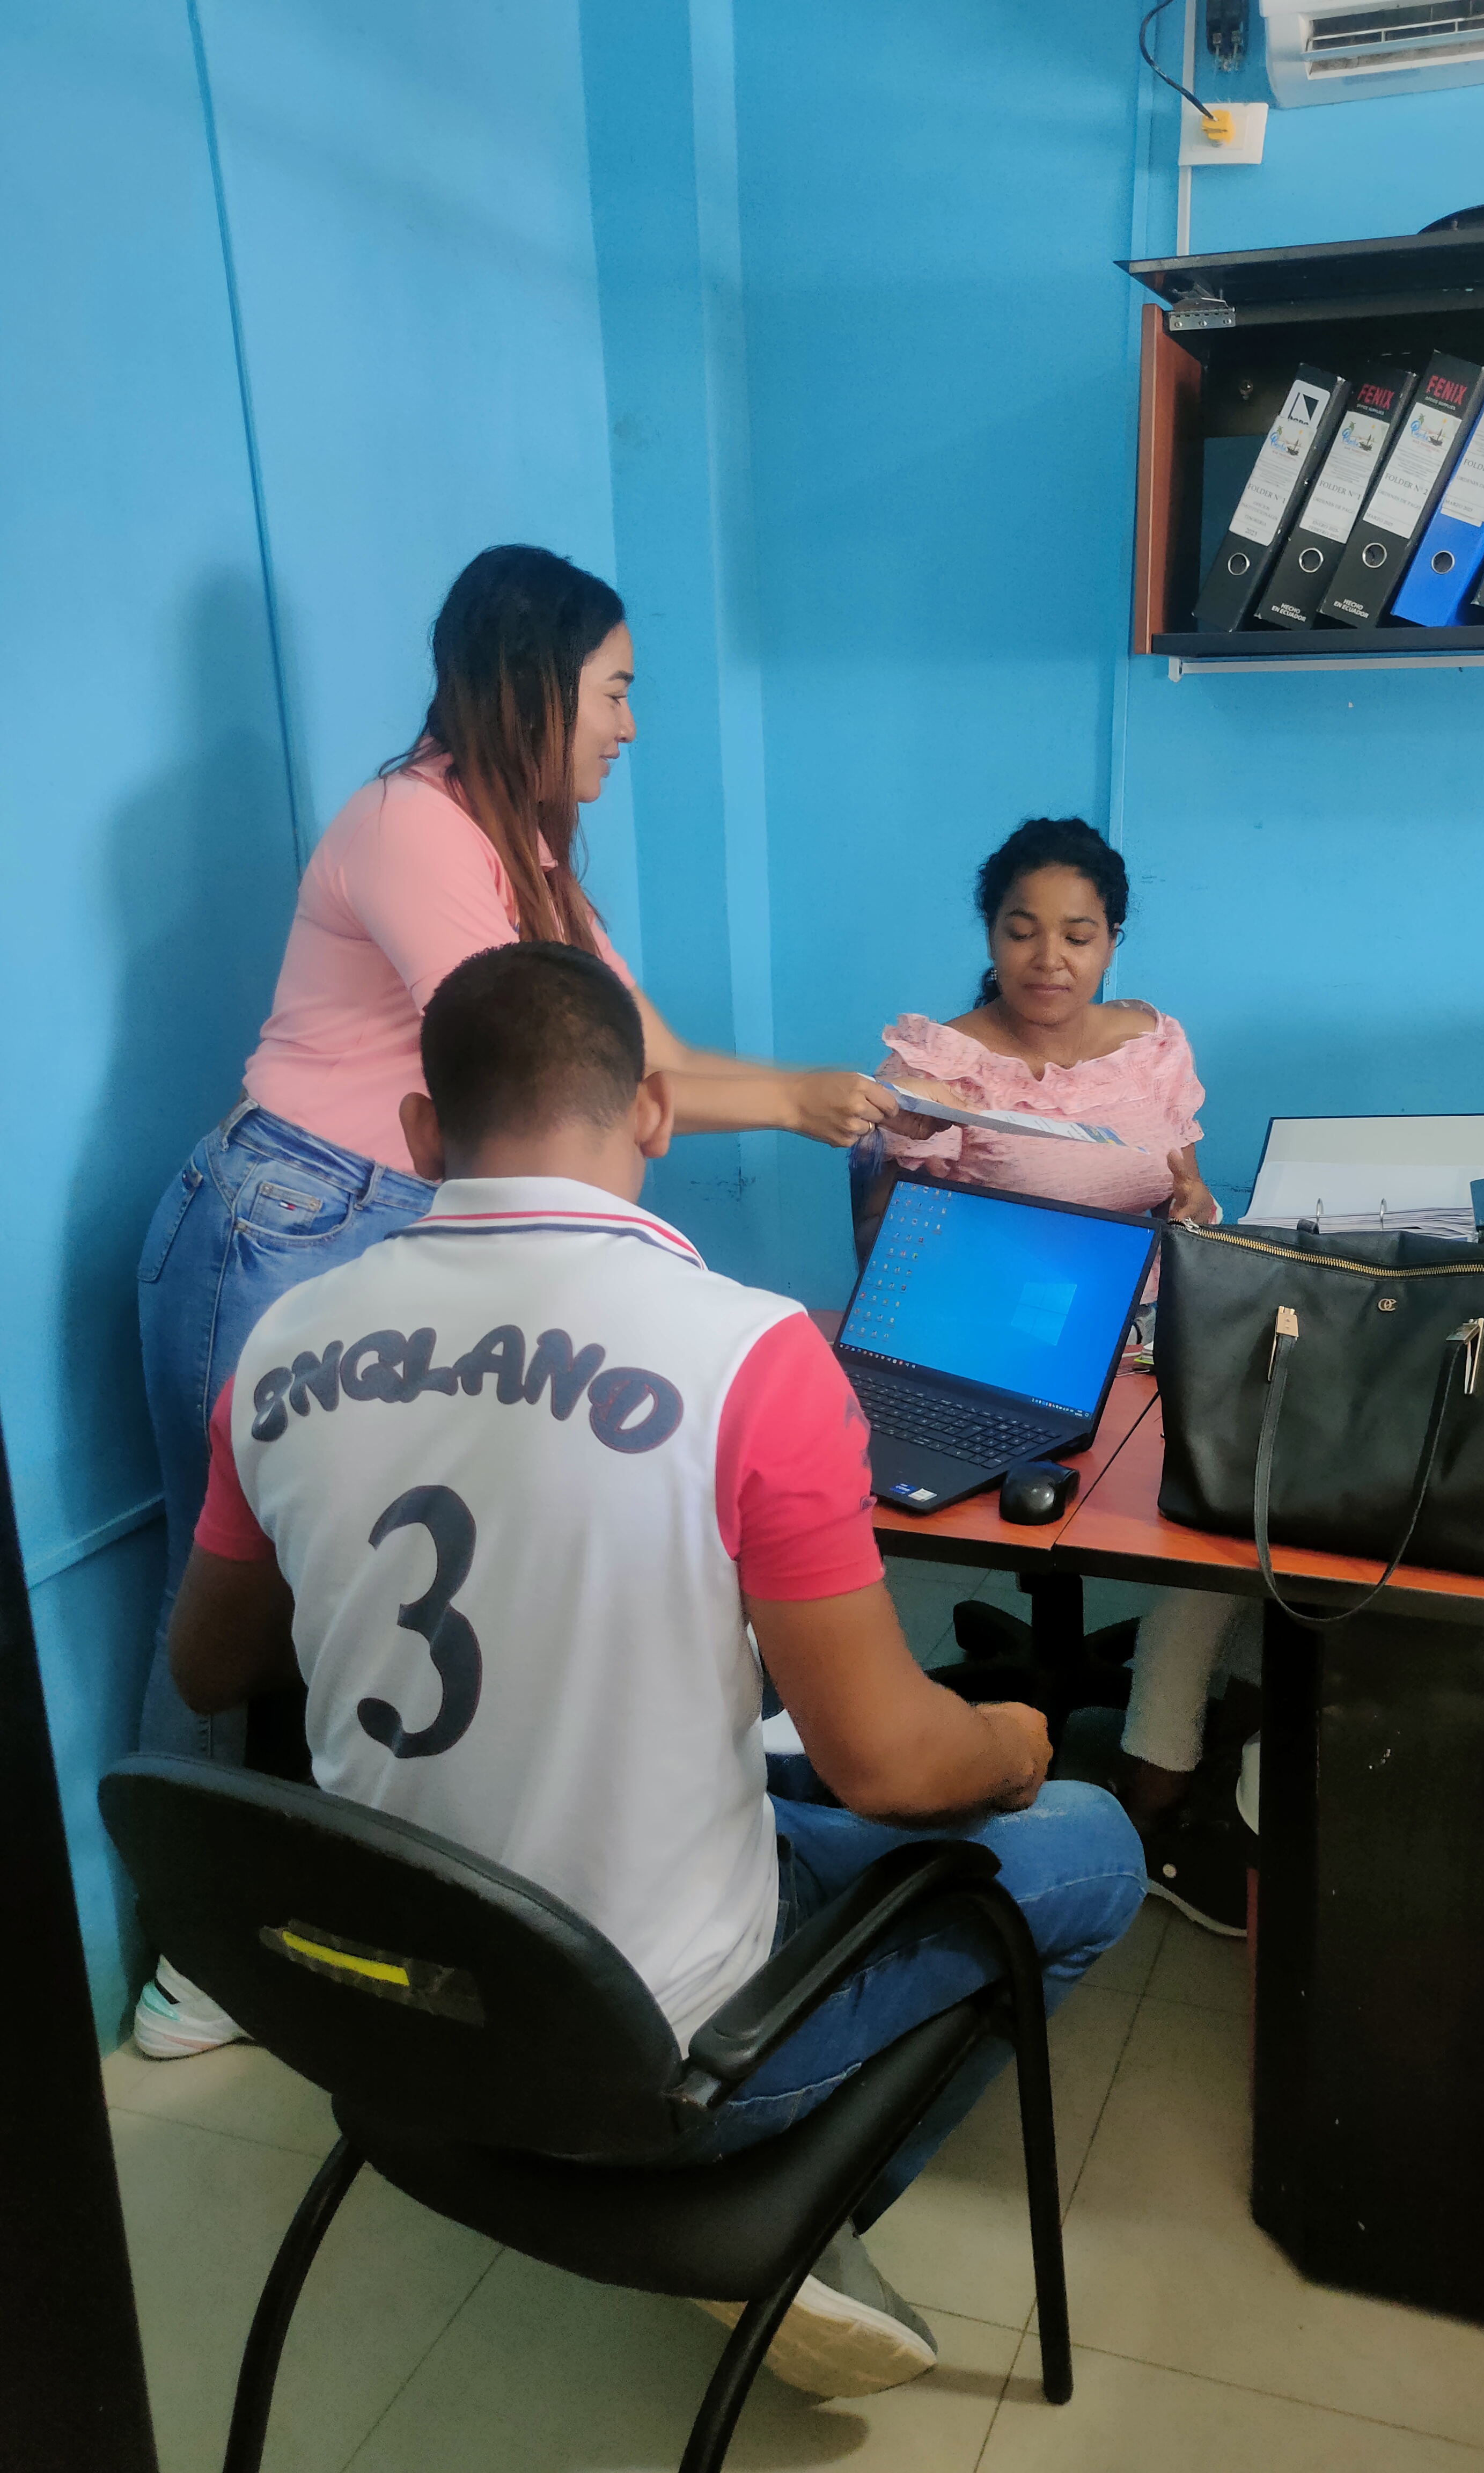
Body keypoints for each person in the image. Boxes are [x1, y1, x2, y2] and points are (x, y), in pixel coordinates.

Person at [165, 942, 1143, 2399]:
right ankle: (795, 2227)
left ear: (423, 1134)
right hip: (645, 2052)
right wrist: (1012, 1741)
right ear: (657, 1115)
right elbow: (889, 1766)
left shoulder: (277, 1347)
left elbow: (207, 1668)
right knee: (1088, 1845)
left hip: (385, 2018)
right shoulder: (749, 1355)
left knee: (776, 1774)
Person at [134, 545, 898, 2058]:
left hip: (411, 1217)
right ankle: (201, 1953)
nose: (630, 725)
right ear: (531, 684)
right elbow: (533, 1068)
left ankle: (408, 1918)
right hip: (285, 1220)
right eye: (614, 692)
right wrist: (782, 1101)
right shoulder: (410, 826)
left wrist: (819, 1096)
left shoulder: (529, 858)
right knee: (216, 1600)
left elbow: (635, 1056)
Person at [875, 817, 1259, 1935]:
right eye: (1022, 930)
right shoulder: (938, 1066)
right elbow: (897, 1248)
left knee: (1226, 1501)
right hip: (1003, 1352)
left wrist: (1197, 1205)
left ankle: (1167, 1754)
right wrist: (905, 1137)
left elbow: (1185, 1183)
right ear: (990, 932)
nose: (1050, 959)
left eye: (1079, 936)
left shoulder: (1150, 1043)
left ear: (1113, 940)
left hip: (1149, 1339)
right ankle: (1150, 1778)